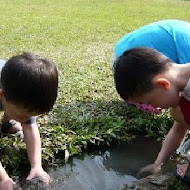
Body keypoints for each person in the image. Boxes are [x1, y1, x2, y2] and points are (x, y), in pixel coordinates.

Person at [112, 19, 190, 178]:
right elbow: (178, 128)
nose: (153, 108)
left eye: (149, 102)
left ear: (162, 84)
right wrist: (158, 164)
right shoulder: (182, 94)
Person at [0, 52, 58, 190]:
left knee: (15, 111)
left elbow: (31, 128)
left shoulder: (19, 91)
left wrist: (36, 166)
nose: (26, 120)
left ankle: (6, 123)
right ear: (2, 95)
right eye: (24, 116)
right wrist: (3, 179)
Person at [112, 19, 190, 114]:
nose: (153, 106)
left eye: (150, 102)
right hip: (131, 61)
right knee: (179, 112)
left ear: (163, 84)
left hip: (125, 54)